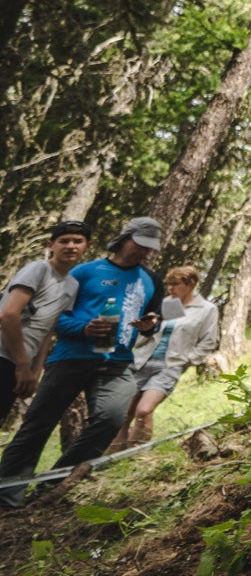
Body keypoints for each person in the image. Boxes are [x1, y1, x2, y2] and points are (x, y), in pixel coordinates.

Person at [0, 216, 161, 506]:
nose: (143, 252)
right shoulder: (83, 272)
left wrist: (150, 325)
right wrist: (83, 329)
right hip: (71, 357)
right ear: (124, 239)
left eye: (149, 248)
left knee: (111, 418)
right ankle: (7, 495)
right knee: (38, 423)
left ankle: (51, 488)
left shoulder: (151, 281)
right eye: (139, 244)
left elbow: (155, 318)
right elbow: (54, 318)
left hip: (117, 362)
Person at [110, 265, 218, 451]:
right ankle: (112, 455)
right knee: (125, 412)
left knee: (143, 410)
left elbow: (208, 342)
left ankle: (135, 454)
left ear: (191, 283)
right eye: (168, 284)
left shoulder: (206, 309)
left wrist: (187, 359)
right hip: (141, 361)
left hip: (170, 366)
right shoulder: (165, 304)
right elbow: (150, 335)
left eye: (175, 284)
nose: (171, 289)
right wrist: (144, 329)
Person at [0, 220, 90, 426]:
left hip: (20, 362)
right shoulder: (38, 269)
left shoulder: (71, 284)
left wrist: (35, 369)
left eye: (78, 241)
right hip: (4, 355)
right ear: (51, 245)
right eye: (63, 241)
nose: (70, 246)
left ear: (87, 246)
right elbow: (8, 315)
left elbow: (49, 328)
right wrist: (23, 366)